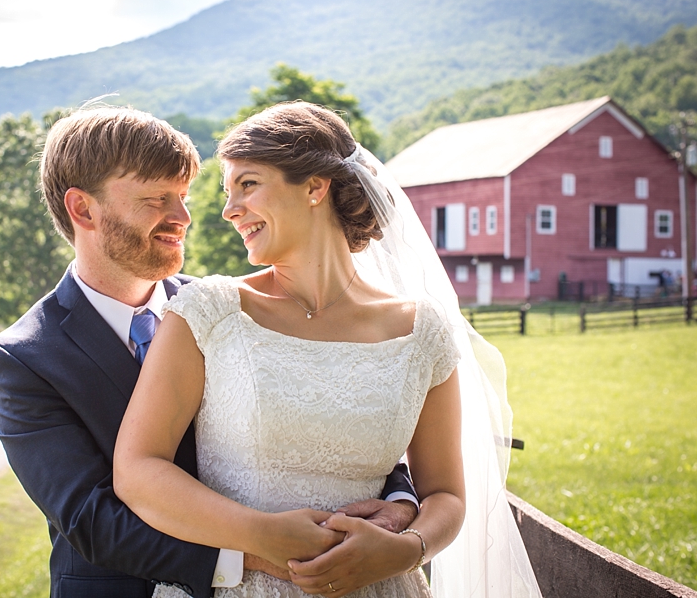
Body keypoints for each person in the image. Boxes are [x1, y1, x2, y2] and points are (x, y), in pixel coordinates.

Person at [0, 105, 421, 598]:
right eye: (157, 199)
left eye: (184, 197)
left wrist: (401, 500)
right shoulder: (24, 358)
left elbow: (330, 416)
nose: (183, 218)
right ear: (83, 209)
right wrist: (259, 555)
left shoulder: (227, 310)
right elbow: (91, 519)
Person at [114, 102, 543, 598]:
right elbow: (138, 469)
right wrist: (260, 536)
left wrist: (409, 549)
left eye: (248, 184)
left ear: (316, 187)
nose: (230, 210)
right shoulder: (207, 312)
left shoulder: (422, 331)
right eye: (227, 193)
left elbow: (445, 494)